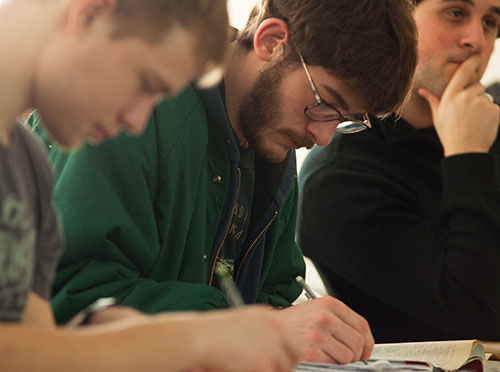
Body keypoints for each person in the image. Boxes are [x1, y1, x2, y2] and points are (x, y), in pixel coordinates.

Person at [32, 0, 418, 363]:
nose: (323, 136)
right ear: (271, 42)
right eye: (326, 104)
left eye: (344, 119)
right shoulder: (137, 100)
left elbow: (277, 288)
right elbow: (69, 295)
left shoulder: (273, 139)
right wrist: (253, 327)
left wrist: (298, 327)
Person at [0, 0, 305, 371]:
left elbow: (36, 349)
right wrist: (191, 338)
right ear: (91, 13)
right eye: (145, 83)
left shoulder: (27, 166)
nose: (137, 122)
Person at [298, 0, 500, 343]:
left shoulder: (488, 124)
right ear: (401, 19)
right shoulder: (340, 176)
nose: (476, 39)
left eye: (491, 21)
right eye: (456, 13)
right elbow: (479, 318)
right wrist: (467, 158)